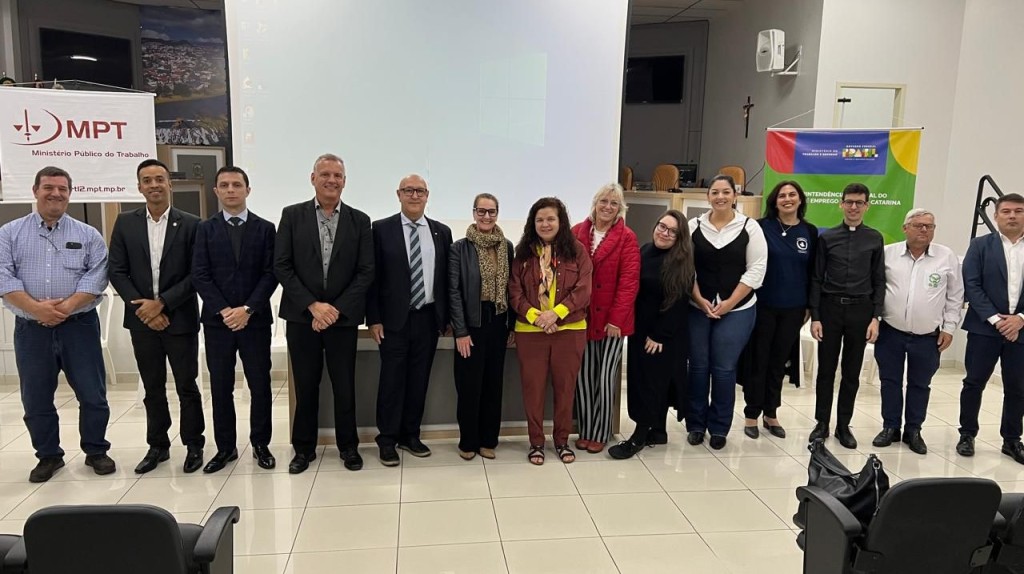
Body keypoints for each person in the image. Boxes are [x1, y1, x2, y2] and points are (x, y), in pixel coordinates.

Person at [0, 166, 115, 482]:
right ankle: (49, 456)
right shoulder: (9, 233)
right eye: (49, 187)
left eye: (62, 189)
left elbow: (97, 276)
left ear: (69, 193)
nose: (56, 193)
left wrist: (64, 307)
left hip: (79, 326)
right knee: (36, 398)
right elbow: (3, 276)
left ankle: (96, 450)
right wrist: (37, 309)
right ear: (35, 190)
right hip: (31, 330)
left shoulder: (88, 235)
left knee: (92, 394)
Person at [274, 153, 374, 474]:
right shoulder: (292, 215)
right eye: (325, 174)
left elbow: (365, 271)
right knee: (306, 386)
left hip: (342, 320)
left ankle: (348, 447)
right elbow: (282, 265)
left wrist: (335, 309)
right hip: (302, 317)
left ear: (345, 181)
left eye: (338, 176)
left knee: (345, 386)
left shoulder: (360, 221)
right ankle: (303, 449)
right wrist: (313, 305)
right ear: (313, 178)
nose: (332, 180)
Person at [109, 159, 205, 474]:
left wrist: (162, 303)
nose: (154, 185)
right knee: (152, 387)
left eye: (159, 179)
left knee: (187, 386)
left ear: (169, 184)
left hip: (180, 318)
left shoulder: (191, 224)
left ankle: (194, 444)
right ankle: (158, 446)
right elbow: (117, 271)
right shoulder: (125, 222)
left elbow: (196, 273)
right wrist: (145, 310)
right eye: (147, 180)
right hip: (142, 321)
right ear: (139, 187)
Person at [192, 166, 279, 472]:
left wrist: (248, 309)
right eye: (225, 185)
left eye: (237, 184)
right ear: (216, 191)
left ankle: (261, 444)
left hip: (255, 322)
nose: (231, 190)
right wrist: (225, 311)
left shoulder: (266, 228)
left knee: (260, 385)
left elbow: (271, 273)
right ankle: (225, 448)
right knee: (220, 387)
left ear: (247, 190)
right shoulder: (205, 229)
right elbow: (200, 274)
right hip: (218, 323)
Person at [367, 174, 453, 467]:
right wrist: (373, 318)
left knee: (419, 381)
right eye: (408, 190)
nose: (414, 195)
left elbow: (445, 279)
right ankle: (387, 440)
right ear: (398, 194)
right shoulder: (381, 229)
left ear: (427, 195)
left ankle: (410, 435)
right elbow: (372, 278)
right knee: (391, 382)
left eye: (420, 191)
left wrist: (446, 319)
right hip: (392, 321)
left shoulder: (441, 232)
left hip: (428, 319)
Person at [871, 209, 962, 455]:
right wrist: (874, 320)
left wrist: (949, 328)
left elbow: (955, 296)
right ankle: (890, 427)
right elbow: (876, 289)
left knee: (920, 384)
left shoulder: (946, 256)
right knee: (890, 381)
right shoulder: (888, 254)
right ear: (905, 228)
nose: (924, 230)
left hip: (928, 336)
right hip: (891, 332)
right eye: (919, 225)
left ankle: (913, 430)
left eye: (929, 226)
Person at [509, 197, 592, 465]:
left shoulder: (577, 251)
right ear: (533, 223)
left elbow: (584, 289)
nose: (545, 224)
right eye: (540, 220)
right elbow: (515, 292)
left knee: (565, 389)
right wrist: (538, 317)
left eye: (550, 219)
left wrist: (556, 313)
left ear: (561, 221)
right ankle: (536, 443)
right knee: (533, 390)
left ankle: (561, 441)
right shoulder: (523, 253)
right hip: (530, 331)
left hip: (569, 330)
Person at [686, 174, 767, 450]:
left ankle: (719, 428)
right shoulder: (693, 226)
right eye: (715, 192)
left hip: (738, 308)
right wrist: (698, 299)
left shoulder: (750, 227)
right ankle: (696, 425)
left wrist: (730, 302)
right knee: (698, 367)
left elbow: (756, 269)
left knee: (723, 369)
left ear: (735, 195)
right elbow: (685, 267)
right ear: (707, 196)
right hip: (698, 306)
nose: (720, 197)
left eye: (725, 192)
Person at [609, 210, 693, 459]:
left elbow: (678, 302)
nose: (664, 233)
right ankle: (658, 431)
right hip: (641, 330)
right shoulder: (646, 250)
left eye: (672, 231)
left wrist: (659, 335)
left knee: (649, 385)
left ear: (680, 237)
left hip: (661, 336)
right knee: (646, 381)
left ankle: (638, 437)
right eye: (662, 226)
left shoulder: (680, 262)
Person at [808, 183, 885, 449]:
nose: (853, 207)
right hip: (830, 309)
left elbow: (879, 279)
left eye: (859, 203)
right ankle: (822, 423)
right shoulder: (827, 238)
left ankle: (843, 425)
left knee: (852, 372)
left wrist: (876, 317)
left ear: (867, 206)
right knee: (825, 371)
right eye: (849, 202)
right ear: (841, 204)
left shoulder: (875, 238)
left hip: (860, 311)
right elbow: (816, 278)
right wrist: (815, 316)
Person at [741, 181, 818, 439]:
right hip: (762, 305)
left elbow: (813, 272)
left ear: (800, 199)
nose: (787, 199)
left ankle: (771, 413)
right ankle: (751, 414)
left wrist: (809, 306)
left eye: (792, 194)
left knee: (778, 363)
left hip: (794, 309)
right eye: (782, 195)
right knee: (758, 361)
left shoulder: (809, 231)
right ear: (775, 201)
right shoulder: (760, 227)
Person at [571, 183, 640, 454]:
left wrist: (616, 320)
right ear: (595, 203)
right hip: (583, 318)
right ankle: (586, 430)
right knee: (585, 378)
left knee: (604, 377)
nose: (607, 207)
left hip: (613, 323)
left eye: (614, 203)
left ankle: (601, 432)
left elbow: (629, 283)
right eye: (603, 201)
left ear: (620, 208)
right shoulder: (577, 232)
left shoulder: (627, 237)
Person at [958, 193, 1024, 464]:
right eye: (1006, 211)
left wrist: (1020, 318)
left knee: (1017, 387)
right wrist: (997, 320)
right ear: (995, 216)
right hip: (984, 329)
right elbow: (971, 285)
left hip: (1021, 330)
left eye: (1018, 211)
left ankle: (1012, 439)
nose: (1012, 216)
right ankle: (967, 434)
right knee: (974, 383)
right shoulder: (980, 245)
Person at [448, 193, 514, 460]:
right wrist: (461, 331)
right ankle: (468, 442)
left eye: (492, 211)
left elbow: (511, 288)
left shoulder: (507, 246)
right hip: (471, 324)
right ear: (474, 213)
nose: (487, 216)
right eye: (481, 211)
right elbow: (453, 292)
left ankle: (488, 440)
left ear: (497, 213)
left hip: (498, 321)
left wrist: (511, 325)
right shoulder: (459, 248)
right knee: (469, 386)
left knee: (493, 385)